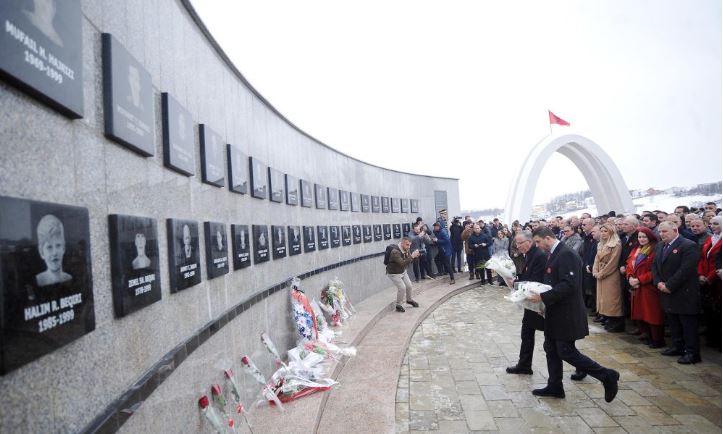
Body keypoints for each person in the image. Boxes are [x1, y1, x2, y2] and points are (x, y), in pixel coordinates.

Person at [527, 227, 619, 402]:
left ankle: (607, 375)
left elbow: (569, 284)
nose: (537, 246)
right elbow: (552, 281)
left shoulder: (566, 254)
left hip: (566, 313)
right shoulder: (554, 253)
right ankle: (555, 386)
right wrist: (542, 302)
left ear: (547, 238)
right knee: (551, 348)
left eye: (538, 242)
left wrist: (543, 297)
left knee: (566, 351)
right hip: (554, 311)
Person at [653, 221, 701, 364]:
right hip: (666, 290)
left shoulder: (688, 245)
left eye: (665, 231)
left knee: (688, 324)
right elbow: (655, 266)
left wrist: (669, 285)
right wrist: (658, 282)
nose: (661, 234)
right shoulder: (660, 246)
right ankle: (677, 346)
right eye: (660, 231)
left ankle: (692, 353)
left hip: (684, 292)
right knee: (673, 321)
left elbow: (686, 269)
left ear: (675, 230)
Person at [505, 230, 546, 375]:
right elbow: (527, 275)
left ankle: (580, 366)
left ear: (529, 242)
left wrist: (516, 284)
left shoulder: (539, 255)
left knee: (558, 340)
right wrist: (516, 280)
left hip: (539, 302)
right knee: (527, 333)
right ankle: (524, 365)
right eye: (516, 243)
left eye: (519, 243)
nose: (517, 246)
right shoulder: (529, 254)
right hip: (531, 302)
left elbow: (536, 279)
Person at [625, 227, 665, 348]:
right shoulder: (636, 249)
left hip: (649, 287)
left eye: (644, 237)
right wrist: (630, 277)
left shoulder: (655, 249)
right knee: (641, 313)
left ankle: (657, 339)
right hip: (636, 287)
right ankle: (648, 336)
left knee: (652, 314)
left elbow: (655, 270)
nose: (641, 239)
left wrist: (639, 279)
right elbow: (629, 265)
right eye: (640, 237)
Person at [593, 223, 624, 332]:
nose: (603, 233)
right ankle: (608, 318)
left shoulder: (616, 244)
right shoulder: (600, 244)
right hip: (600, 273)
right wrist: (595, 271)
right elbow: (596, 259)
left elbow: (613, 262)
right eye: (601, 231)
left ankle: (617, 321)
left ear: (611, 232)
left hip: (611, 274)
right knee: (603, 298)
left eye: (605, 231)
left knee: (612, 299)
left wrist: (602, 273)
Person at [698, 215, 721, 349]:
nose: (713, 226)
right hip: (706, 279)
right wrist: (701, 274)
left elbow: (717, 263)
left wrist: (709, 277)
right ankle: (712, 339)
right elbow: (702, 258)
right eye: (711, 224)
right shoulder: (710, 239)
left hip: (717, 280)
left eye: (716, 224)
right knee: (710, 312)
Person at [35, 214, 72, 287]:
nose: (54, 253)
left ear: (63, 248)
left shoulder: (69, 278)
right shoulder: (38, 280)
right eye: (49, 247)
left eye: (58, 245)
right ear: (41, 252)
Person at [385, 237, 420, 313]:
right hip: (394, 273)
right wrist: (412, 256)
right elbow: (402, 264)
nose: (409, 247)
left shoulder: (406, 249)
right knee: (402, 288)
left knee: (409, 286)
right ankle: (398, 305)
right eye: (407, 245)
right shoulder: (395, 252)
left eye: (410, 245)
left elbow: (408, 261)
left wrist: (415, 257)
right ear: (402, 243)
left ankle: (409, 300)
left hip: (403, 271)